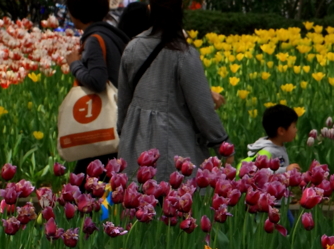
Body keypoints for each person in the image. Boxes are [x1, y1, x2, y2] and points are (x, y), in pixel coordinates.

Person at [117, 0, 230, 180]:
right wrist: (222, 144)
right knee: (172, 200)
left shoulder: (132, 47)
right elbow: (202, 109)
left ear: (150, 9)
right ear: (180, 9)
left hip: (134, 139)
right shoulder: (183, 53)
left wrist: (125, 134)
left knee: (138, 199)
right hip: (175, 141)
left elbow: (123, 101)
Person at [65, 0, 128, 174]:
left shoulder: (94, 40)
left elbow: (97, 80)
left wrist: (75, 64)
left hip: (101, 126)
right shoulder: (113, 35)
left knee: (86, 185)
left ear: (76, 12)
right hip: (119, 120)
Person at [243, 104, 302, 173]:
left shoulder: (279, 146)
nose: (296, 130)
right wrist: (285, 170)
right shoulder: (268, 151)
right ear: (281, 131)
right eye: (294, 127)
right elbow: (260, 172)